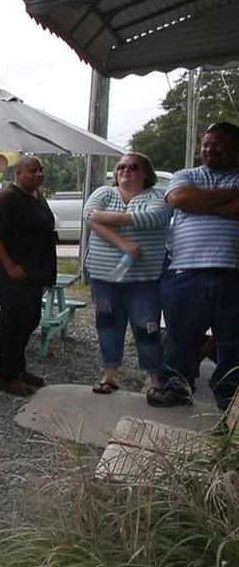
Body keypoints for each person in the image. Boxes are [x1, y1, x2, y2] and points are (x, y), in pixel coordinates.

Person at [150, 122, 239, 409]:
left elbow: (189, 201)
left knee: (233, 340)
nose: (209, 149)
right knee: (181, 334)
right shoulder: (185, 175)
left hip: (233, 273)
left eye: (217, 144)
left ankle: (230, 397)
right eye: (206, 144)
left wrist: (198, 202)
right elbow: (179, 198)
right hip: (186, 272)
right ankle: (178, 385)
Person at [82, 153, 171, 396]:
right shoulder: (104, 193)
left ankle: (155, 379)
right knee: (107, 325)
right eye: (121, 167)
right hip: (103, 277)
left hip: (144, 280)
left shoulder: (157, 197)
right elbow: (89, 216)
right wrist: (125, 243)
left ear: (146, 173)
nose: (125, 171)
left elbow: (154, 218)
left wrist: (108, 218)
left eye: (133, 167)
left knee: (147, 327)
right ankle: (109, 375)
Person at [0, 157, 55, 397]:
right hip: (12, 275)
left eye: (40, 170)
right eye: (33, 171)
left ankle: (18, 368)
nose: (38, 174)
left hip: (34, 274)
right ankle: (4, 376)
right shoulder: (6, 199)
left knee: (30, 319)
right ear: (19, 173)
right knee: (12, 324)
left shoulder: (37, 196)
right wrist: (10, 266)